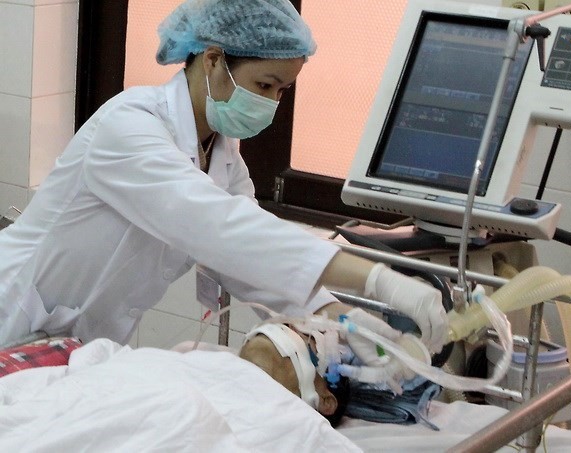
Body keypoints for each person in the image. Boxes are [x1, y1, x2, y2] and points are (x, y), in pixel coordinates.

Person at [0, 0, 448, 370]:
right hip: (14, 323)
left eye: (281, 91)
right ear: (214, 59)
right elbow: (217, 225)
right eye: (265, 84)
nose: (271, 103)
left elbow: (245, 258)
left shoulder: (220, 151)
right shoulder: (127, 128)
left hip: (75, 350)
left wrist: (344, 321)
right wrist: (379, 280)